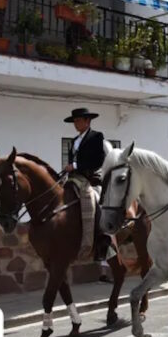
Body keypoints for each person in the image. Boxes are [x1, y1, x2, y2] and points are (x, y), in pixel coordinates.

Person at [64, 107, 113, 266]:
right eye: (75, 121)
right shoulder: (73, 141)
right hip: (74, 178)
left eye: (79, 120)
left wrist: (75, 165)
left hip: (91, 178)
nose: (76, 124)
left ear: (87, 121)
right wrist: (70, 167)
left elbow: (97, 161)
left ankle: (102, 239)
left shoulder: (96, 137)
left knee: (92, 202)